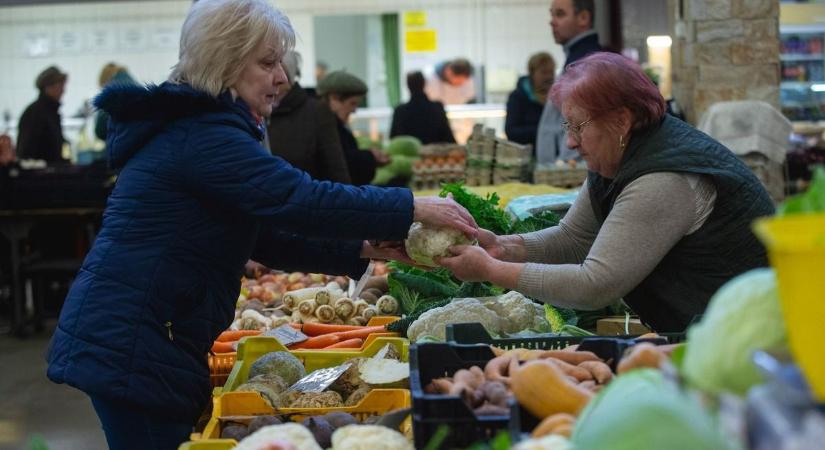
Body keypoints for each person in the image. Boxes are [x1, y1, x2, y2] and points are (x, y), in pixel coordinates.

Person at [45, 2, 477, 449]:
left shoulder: (203, 127)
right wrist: (411, 206)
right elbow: (298, 198)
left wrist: (363, 248)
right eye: (268, 63)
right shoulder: (204, 135)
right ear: (225, 62)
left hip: (147, 332)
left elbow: (262, 232)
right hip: (136, 339)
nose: (283, 78)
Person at [440, 53, 774, 333]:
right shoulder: (622, 155)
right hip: (711, 328)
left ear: (622, 121)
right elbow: (572, 238)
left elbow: (595, 285)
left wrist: (491, 270)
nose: (570, 142)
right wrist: (500, 247)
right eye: (567, 126)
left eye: (578, 126)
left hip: (747, 336)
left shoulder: (663, 179)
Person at [267, 51, 351, 183]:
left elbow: (335, 167)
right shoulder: (254, 109)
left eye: (280, 71)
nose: (274, 78)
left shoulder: (316, 111)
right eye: (268, 69)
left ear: (290, 77)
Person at [536, 0, 603, 164]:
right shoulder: (577, 58)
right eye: (552, 14)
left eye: (559, 14)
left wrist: (565, 164)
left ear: (583, 18)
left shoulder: (586, 63)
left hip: (572, 174)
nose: (552, 21)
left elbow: (584, 123)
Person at [318, 71, 389, 185]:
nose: (354, 110)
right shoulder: (322, 129)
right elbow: (341, 163)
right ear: (333, 98)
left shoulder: (334, 124)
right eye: (352, 103)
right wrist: (370, 157)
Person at [16, 66, 68, 163]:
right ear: (48, 87)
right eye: (60, 85)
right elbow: (27, 151)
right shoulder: (36, 113)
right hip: (39, 174)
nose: (63, 90)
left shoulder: (49, 112)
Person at [505, 52, 556, 150]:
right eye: (544, 72)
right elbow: (512, 132)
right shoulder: (518, 97)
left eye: (551, 72)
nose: (549, 77)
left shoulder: (558, 98)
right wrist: (544, 130)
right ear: (532, 73)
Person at [390, 71, 455, 144]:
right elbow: (448, 137)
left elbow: (394, 140)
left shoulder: (400, 111)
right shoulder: (437, 108)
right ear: (424, 83)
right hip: (435, 154)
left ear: (408, 86)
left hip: (411, 154)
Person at [95, 63, 137, 140]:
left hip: (121, 142)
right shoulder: (135, 85)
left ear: (106, 80)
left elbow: (100, 130)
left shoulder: (112, 91)